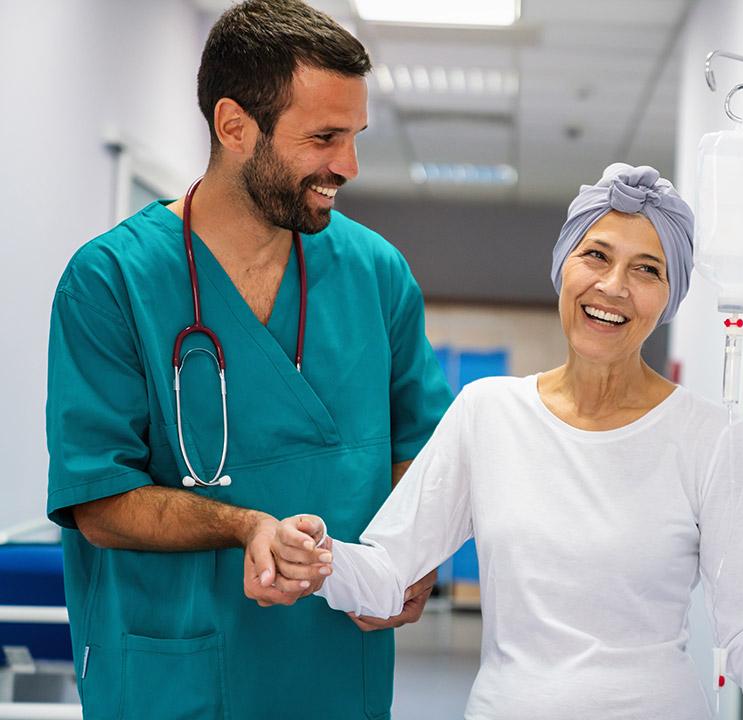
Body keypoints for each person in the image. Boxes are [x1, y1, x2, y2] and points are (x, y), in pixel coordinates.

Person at [270, 164, 743, 719]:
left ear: (670, 297)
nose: (613, 286)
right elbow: (387, 573)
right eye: (596, 255)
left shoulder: (713, 437)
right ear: (563, 266)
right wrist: (319, 556)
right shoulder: (488, 412)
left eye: (647, 269)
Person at [44, 1, 451, 718]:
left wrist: (417, 556)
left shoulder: (375, 273)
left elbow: (422, 448)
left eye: (355, 137)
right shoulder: (110, 282)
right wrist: (244, 527)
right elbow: (98, 500)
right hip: (177, 672)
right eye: (324, 137)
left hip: (334, 669)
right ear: (235, 126)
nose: (347, 166)